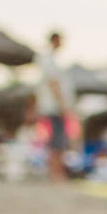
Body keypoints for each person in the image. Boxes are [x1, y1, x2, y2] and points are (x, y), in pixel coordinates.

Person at [33, 31, 73, 181]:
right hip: (54, 106)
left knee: (57, 139)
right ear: (55, 40)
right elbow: (53, 83)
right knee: (58, 140)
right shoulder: (48, 59)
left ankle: (55, 172)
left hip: (53, 105)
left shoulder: (50, 59)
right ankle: (56, 173)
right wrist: (62, 104)